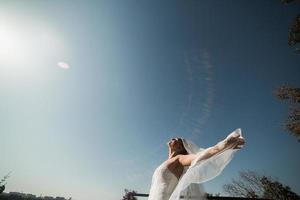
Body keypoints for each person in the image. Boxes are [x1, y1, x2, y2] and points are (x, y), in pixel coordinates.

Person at [148, 128, 245, 200]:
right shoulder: (166, 162)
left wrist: (224, 145)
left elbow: (201, 156)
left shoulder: (179, 159)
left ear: (180, 147)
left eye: (178, 139)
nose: (175, 138)